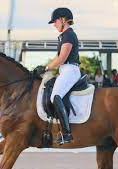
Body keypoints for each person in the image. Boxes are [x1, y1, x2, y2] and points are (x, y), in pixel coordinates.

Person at [36, 7, 81, 145]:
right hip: (64, 70)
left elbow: (61, 58)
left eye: (55, 21)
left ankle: (67, 133)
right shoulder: (63, 36)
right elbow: (57, 58)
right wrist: (44, 67)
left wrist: (46, 68)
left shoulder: (69, 35)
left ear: (63, 19)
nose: (54, 25)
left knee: (55, 96)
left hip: (70, 70)